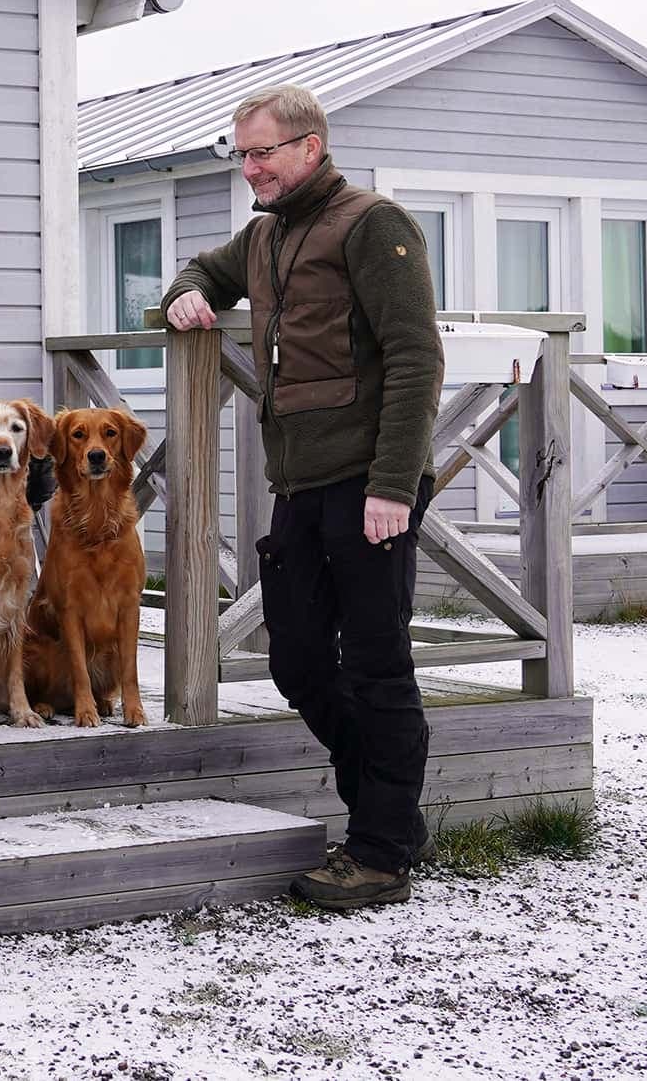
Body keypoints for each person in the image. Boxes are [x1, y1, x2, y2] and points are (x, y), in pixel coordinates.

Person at [162, 85, 443, 910]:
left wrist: (393, 486)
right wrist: (190, 292)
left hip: (370, 484)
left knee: (377, 661)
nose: (250, 167)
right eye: (242, 154)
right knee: (294, 654)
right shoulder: (263, 235)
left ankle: (380, 850)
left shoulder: (372, 223)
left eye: (264, 153)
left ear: (310, 147)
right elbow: (202, 269)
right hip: (301, 482)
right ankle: (388, 811)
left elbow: (416, 358)